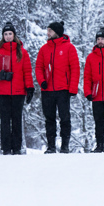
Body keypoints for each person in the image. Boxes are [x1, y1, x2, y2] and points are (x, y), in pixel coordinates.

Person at [0, 22, 34, 155]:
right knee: (5, 120)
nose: (8, 36)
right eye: (5, 34)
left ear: (14, 35)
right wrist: (1, 74)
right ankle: (6, 148)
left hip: (19, 92)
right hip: (2, 92)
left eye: (10, 34)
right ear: (3, 36)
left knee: (17, 120)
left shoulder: (22, 52)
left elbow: (27, 71)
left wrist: (29, 88)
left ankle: (17, 148)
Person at [35, 21, 80, 153]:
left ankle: (65, 146)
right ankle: (51, 146)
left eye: (50, 31)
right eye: (47, 30)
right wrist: (41, 81)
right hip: (47, 90)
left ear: (57, 32)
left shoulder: (69, 48)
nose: (47, 33)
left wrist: (72, 88)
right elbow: (38, 67)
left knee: (65, 118)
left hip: (63, 90)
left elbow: (75, 69)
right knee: (49, 118)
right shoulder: (44, 49)